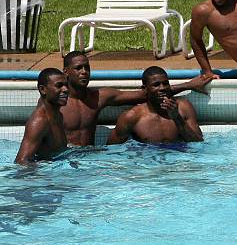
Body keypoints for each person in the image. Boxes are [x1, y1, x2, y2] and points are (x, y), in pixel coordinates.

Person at [62, 51, 213, 146]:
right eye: (78, 68)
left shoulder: (99, 96)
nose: (84, 72)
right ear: (66, 72)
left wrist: (188, 85)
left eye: (87, 68)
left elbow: (148, 93)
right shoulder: (56, 100)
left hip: (88, 157)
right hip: (65, 159)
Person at [106, 66, 203, 144]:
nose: (162, 88)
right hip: (148, 165)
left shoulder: (183, 107)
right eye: (156, 85)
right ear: (145, 89)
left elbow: (198, 142)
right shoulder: (132, 116)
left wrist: (177, 117)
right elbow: (111, 151)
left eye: (166, 83)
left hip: (179, 162)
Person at [15, 68, 69, 165]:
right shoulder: (40, 121)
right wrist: (44, 177)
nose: (66, 89)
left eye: (66, 85)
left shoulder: (57, 114)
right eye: (59, 85)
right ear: (43, 89)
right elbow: (21, 161)